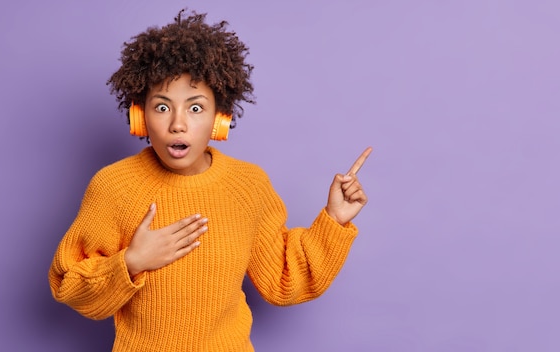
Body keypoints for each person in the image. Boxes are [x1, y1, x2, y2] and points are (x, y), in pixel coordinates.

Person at [48, 9, 372, 352]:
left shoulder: (248, 185)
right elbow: (69, 283)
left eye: (196, 108)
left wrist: (334, 221)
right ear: (139, 116)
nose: (178, 124)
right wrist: (132, 261)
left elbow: (283, 279)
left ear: (220, 118)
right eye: (162, 107)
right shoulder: (114, 186)